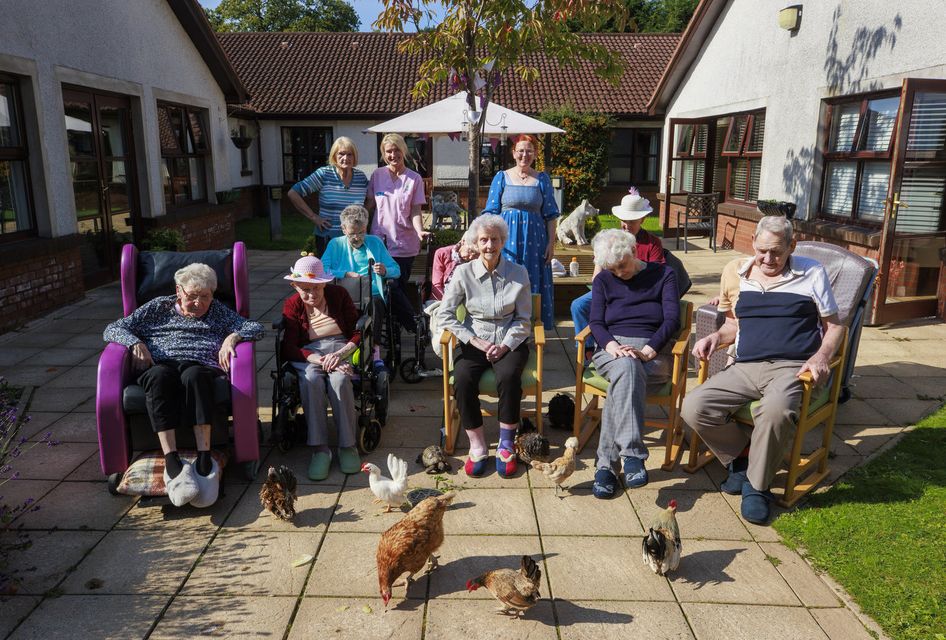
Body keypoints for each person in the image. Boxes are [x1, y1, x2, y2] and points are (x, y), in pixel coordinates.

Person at [681, 216, 844, 524]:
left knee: (775, 411)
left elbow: (834, 326)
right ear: (753, 243)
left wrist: (822, 355)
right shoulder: (739, 273)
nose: (769, 259)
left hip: (791, 366)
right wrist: (714, 338)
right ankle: (743, 456)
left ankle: (757, 487)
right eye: (763, 251)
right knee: (693, 407)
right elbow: (733, 325)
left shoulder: (811, 272)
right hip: (745, 365)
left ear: (791, 246)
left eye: (777, 252)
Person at [102, 263, 264, 508]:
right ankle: (172, 460)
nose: (198, 303)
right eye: (192, 297)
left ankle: (204, 458)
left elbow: (255, 327)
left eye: (205, 297)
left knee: (195, 377)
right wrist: (134, 342)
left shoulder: (218, 312)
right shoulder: (158, 307)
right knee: (159, 378)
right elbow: (114, 328)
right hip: (161, 364)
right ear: (179, 291)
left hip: (199, 365)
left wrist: (233, 336)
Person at [586, 229, 680, 499]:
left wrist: (649, 350)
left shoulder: (664, 275)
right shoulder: (604, 279)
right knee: (626, 367)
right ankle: (633, 455)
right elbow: (596, 322)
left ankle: (606, 466)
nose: (618, 273)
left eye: (622, 266)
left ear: (633, 252)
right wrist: (613, 346)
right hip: (612, 349)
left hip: (653, 349)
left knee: (624, 379)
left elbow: (672, 320)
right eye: (612, 268)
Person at [437, 214, 532, 479]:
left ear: (502, 241)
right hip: (474, 338)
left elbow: (524, 319)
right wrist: (474, 340)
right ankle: (477, 445)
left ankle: (505, 444)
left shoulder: (518, 273)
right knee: (464, 379)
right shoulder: (463, 273)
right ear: (475, 243)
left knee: (509, 376)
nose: (489, 245)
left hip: (509, 339)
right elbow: (445, 315)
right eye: (483, 240)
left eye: (494, 239)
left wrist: (504, 345)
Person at [280, 255, 363, 480]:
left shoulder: (340, 295)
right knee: (311, 381)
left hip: (339, 347)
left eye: (316, 288)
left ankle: (348, 446)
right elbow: (289, 346)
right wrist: (317, 359)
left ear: (325, 283)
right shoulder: (292, 305)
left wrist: (339, 354)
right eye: (305, 289)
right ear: (294, 286)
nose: (311, 295)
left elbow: (357, 332)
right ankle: (320, 449)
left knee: (339, 380)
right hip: (308, 354)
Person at [571, 188, 666, 350]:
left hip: (640, 289)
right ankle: (587, 349)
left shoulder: (652, 243)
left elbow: (657, 274)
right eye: (624, 220)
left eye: (632, 221)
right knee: (579, 305)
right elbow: (598, 274)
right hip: (609, 286)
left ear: (642, 220)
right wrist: (600, 288)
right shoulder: (609, 238)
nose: (627, 225)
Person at [482, 134, 560, 329]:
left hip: (536, 241)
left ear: (535, 154)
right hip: (507, 241)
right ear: (514, 153)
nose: (525, 155)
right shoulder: (501, 177)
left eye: (529, 151)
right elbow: (491, 212)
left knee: (534, 282)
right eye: (521, 151)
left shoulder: (542, 179)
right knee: (507, 280)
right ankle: (506, 326)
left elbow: (550, 215)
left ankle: (534, 328)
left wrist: (551, 243)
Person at [321, 204, 401, 366]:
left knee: (376, 304)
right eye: (352, 234)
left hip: (371, 293)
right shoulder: (335, 244)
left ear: (366, 227)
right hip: (343, 292)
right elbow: (322, 270)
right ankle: (341, 348)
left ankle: (375, 351)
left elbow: (396, 270)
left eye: (361, 232)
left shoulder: (375, 242)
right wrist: (344, 274)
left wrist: (385, 270)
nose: (357, 237)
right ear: (343, 229)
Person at [367, 133, 428, 332]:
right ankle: (409, 329)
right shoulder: (377, 175)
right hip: (379, 243)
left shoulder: (414, 179)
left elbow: (416, 211)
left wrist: (420, 231)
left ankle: (408, 328)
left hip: (404, 245)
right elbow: (369, 205)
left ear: (404, 151)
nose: (393, 155)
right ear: (384, 154)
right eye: (388, 151)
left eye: (396, 150)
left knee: (395, 288)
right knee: (383, 290)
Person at [287, 137, 369, 257]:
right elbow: (293, 193)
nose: (345, 158)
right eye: (341, 154)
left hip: (355, 239)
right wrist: (314, 217)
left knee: (353, 274)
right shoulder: (324, 174)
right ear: (334, 156)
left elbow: (371, 200)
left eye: (349, 154)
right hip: (328, 238)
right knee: (328, 274)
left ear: (354, 156)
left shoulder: (361, 178)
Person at [430, 227, 479, 301]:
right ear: (463, 242)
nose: (471, 256)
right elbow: (437, 285)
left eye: (475, 254)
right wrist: (446, 302)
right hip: (443, 298)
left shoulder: (479, 259)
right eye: (470, 251)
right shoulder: (442, 253)